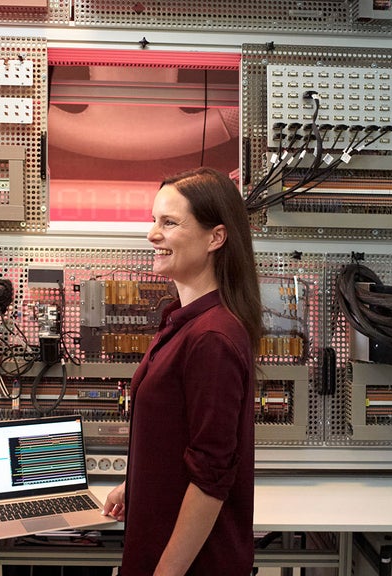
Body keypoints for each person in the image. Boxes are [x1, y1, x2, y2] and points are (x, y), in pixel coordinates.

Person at [102, 167, 263, 575]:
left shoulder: (212, 338)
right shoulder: (183, 321)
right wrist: (136, 485)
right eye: (153, 220)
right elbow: (175, 437)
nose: (152, 234)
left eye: (169, 223)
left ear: (215, 238)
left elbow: (211, 479)